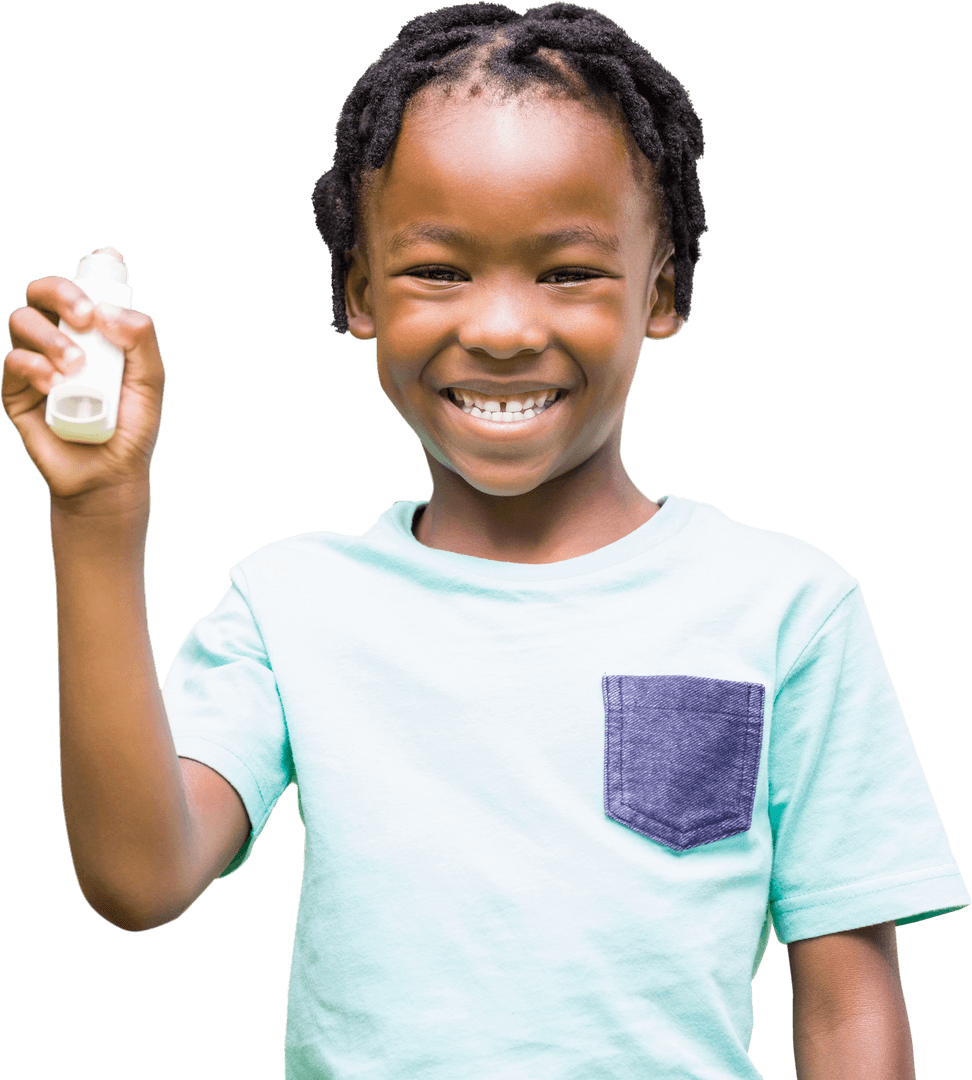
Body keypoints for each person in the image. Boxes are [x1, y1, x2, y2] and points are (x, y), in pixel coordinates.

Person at [4, 3, 968, 1077]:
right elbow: (139, 878)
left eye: (568, 272)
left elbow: (847, 1006)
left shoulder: (786, 605)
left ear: (666, 288)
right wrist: (97, 516)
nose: (503, 329)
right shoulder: (293, 605)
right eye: (438, 271)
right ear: (358, 290)